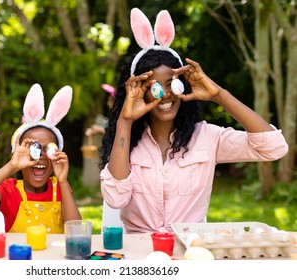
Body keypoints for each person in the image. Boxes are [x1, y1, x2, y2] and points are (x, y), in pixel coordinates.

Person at [99, 8, 289, 234]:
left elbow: (274, 148)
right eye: (155, 87)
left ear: (183, 86)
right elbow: (115, 198)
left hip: (190, 250)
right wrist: (125, 120)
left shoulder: (207, 137)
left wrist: (219, 94)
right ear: (140, 92)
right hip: (140, 253)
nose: (166, 94)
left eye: (172, 83)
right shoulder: (126, 139)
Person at [0, 83, 81, 233]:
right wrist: (12, 166)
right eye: (34, 148)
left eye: (48, 149)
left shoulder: (59, 188)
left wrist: (63, 181)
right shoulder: (10, 190)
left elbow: (77, 231)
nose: (40, 156)